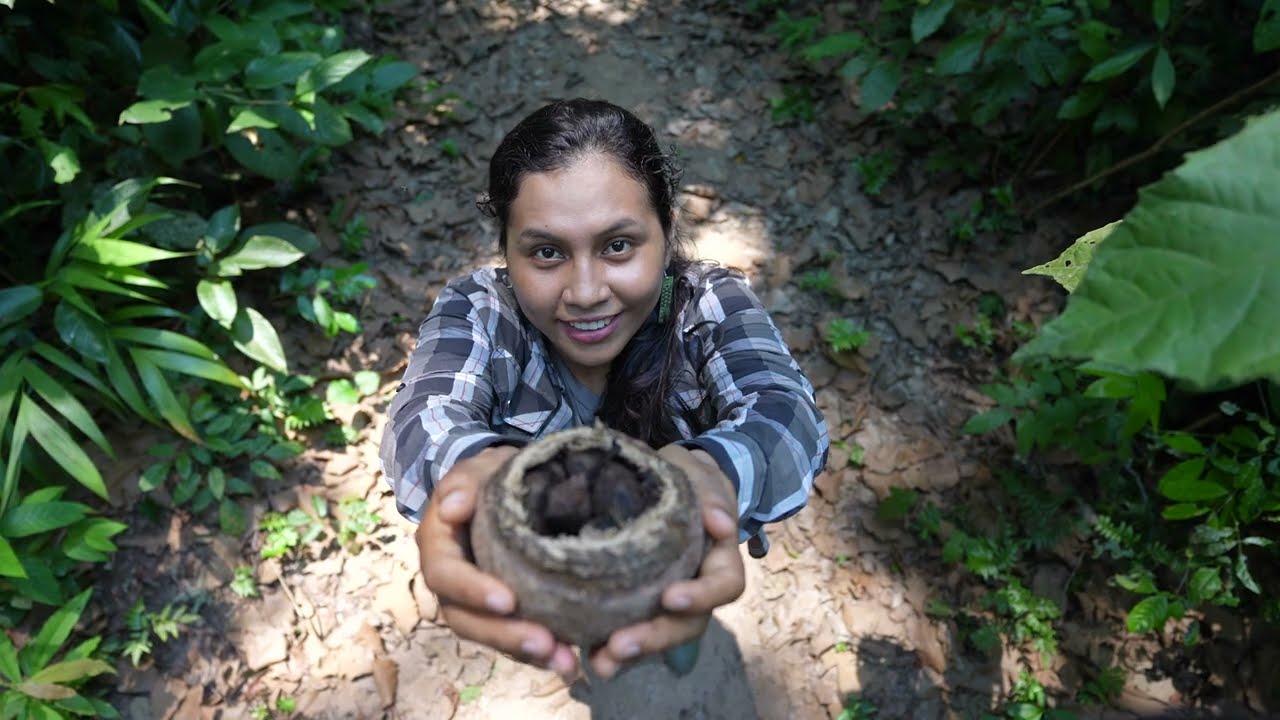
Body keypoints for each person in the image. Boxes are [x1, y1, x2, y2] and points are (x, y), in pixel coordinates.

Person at [380, 98, 828, 682]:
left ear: (667, 233)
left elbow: (785, 410)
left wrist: (709, 474)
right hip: (547, 575)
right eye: (547, 252)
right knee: (578, 653)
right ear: (506, 253)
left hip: (670, 567)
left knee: (675, 636)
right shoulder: (482, 308)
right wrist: (476, 469)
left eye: (618, 245)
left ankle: (668, 653)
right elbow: (425, 413)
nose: (586, 292)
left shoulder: (704, 302)